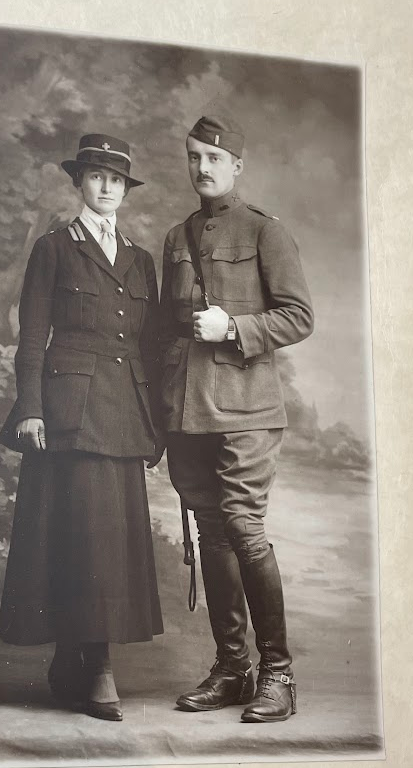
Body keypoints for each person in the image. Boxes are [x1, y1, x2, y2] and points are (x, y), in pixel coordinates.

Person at [0, 133, 164, 722]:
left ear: (125, 188)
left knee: (108, 542)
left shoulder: (140, 259)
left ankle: (77, 657)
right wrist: (31, 408)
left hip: (123, 412)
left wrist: (158, 421)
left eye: (116, 179)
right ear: (79, 183)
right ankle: (97, 668)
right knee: (78, 535)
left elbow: (151, 344)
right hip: (68, 414)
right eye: (96, 176)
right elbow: (32, 336)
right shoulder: (54, 248)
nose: (107, 187)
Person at [159, 114, 314, 723]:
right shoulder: (178, 235)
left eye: (214, 159)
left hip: (247, 410)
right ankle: (233, 669)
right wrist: (158, 414)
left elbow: (298, 317)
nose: (202, 168)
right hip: (188, 411)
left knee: (244, 530)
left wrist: (236, 328)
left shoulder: (264, 231)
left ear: (237, 166)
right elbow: (165, 332)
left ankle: (278, 671)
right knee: (212, 535)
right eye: (194, 156)